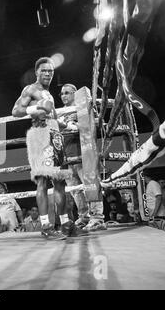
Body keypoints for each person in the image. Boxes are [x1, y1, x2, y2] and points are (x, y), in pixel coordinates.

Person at [11, 57, 78, 240]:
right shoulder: (31, 89)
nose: (48, 74)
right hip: (40, 136)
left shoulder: (48, 94)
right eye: (44, 71)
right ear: (37, 72)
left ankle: (65, 223)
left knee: (59, 182)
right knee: (42, 181)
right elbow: (16, 111)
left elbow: (52, 116)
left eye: (50, 71)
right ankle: (46, 226)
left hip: (55, 135)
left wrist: (69, 126)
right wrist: (36, 108)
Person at [57, 83, 105, 231]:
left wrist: (74, 124)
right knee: (75, 190)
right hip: (67, 156)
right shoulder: (59, 112)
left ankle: (97, 218)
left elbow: (96, 123)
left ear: (74, 94)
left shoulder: (83, 108)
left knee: (89, 186)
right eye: (62, 93)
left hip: (84, 154)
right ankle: (84, 217)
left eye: (67, 92)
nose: (64, 95)